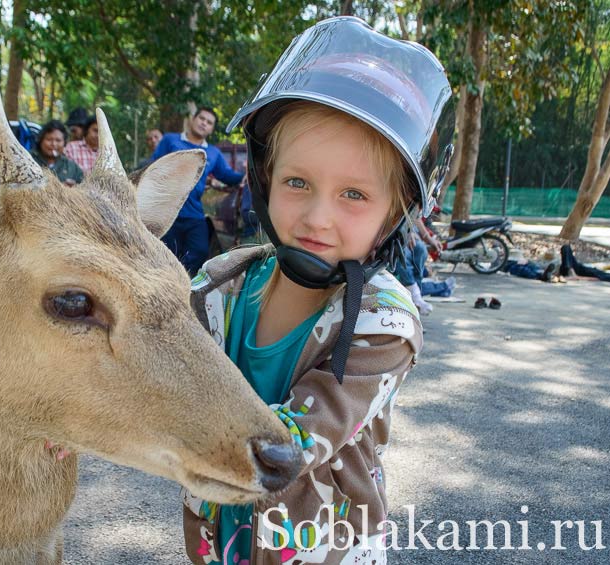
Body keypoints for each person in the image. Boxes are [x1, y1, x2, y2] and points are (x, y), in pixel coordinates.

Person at [182, 16, 454, 564]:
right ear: (264, 177)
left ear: (395, 214)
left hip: (321, 547)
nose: (316, 216)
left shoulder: (386, 323)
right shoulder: (218, 285)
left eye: (353, 194)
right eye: (297, 182)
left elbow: (299, 442)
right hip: (219, 539)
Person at [152, 107, 244, 275]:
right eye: (202, 118)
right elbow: (153, 167)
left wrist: (246, 174)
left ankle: (184, 284)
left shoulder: (213, 153)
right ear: (193, 119)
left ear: (211, 129)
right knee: (164, 255)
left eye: (209, 123)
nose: (204, 123)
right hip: (167, 212)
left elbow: (226, 176)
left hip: (194, 213)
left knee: (200, 252)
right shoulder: (170, 141)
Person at [31, 119, 84, 186]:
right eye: (49, 139)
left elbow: (83, 187)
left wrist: (74, 188)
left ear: (64, 143)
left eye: (58, 140)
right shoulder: (28, 159)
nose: (53, 144)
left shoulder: (71, 167)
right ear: (40, 140)